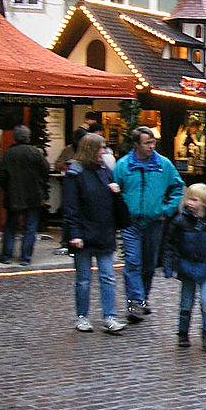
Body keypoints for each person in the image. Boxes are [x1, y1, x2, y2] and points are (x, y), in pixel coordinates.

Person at [113, 125, 185, 323]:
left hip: (154, 222)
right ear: (136, 144)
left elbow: (177, 187)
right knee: (133, 262)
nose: (151, 147)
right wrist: (121, 212)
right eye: (147, 143)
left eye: (153, 142)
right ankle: (134, 303)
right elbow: (114, 191)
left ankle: (142, 298)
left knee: (149, 264)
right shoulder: (124, 165)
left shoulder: (163, 165)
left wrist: (167, 210)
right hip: (131, 223)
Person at [62, 133, 126, 334]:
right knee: (84, 279)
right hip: (85, 233)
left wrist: (115, 193)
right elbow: (71, 207)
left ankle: (109, 315)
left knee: (107, 276)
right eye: (101, 148)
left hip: (103, 231)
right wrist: (75, 233)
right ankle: (82, 316)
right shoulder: (76, 174)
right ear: (91, 150)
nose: (105, 152)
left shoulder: (102, 170)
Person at [163, 183, 206, 352]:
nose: (189, 202)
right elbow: (170, 244)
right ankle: (183, 332)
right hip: (187, 266)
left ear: (204, 204)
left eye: (194, 199)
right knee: (186, 303)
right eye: (188, 199)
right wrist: (169, 266)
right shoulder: (180, 222)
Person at [0, 125, 49, 265]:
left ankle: (7, 255)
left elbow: (1, 174)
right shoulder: (35, 152)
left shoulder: (9, 153)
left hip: (14, 194)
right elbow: (45, 169)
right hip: (33, 194)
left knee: (11, 225)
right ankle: (25, 257)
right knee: (30, 227)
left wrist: (6, 187)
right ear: (28, 137)